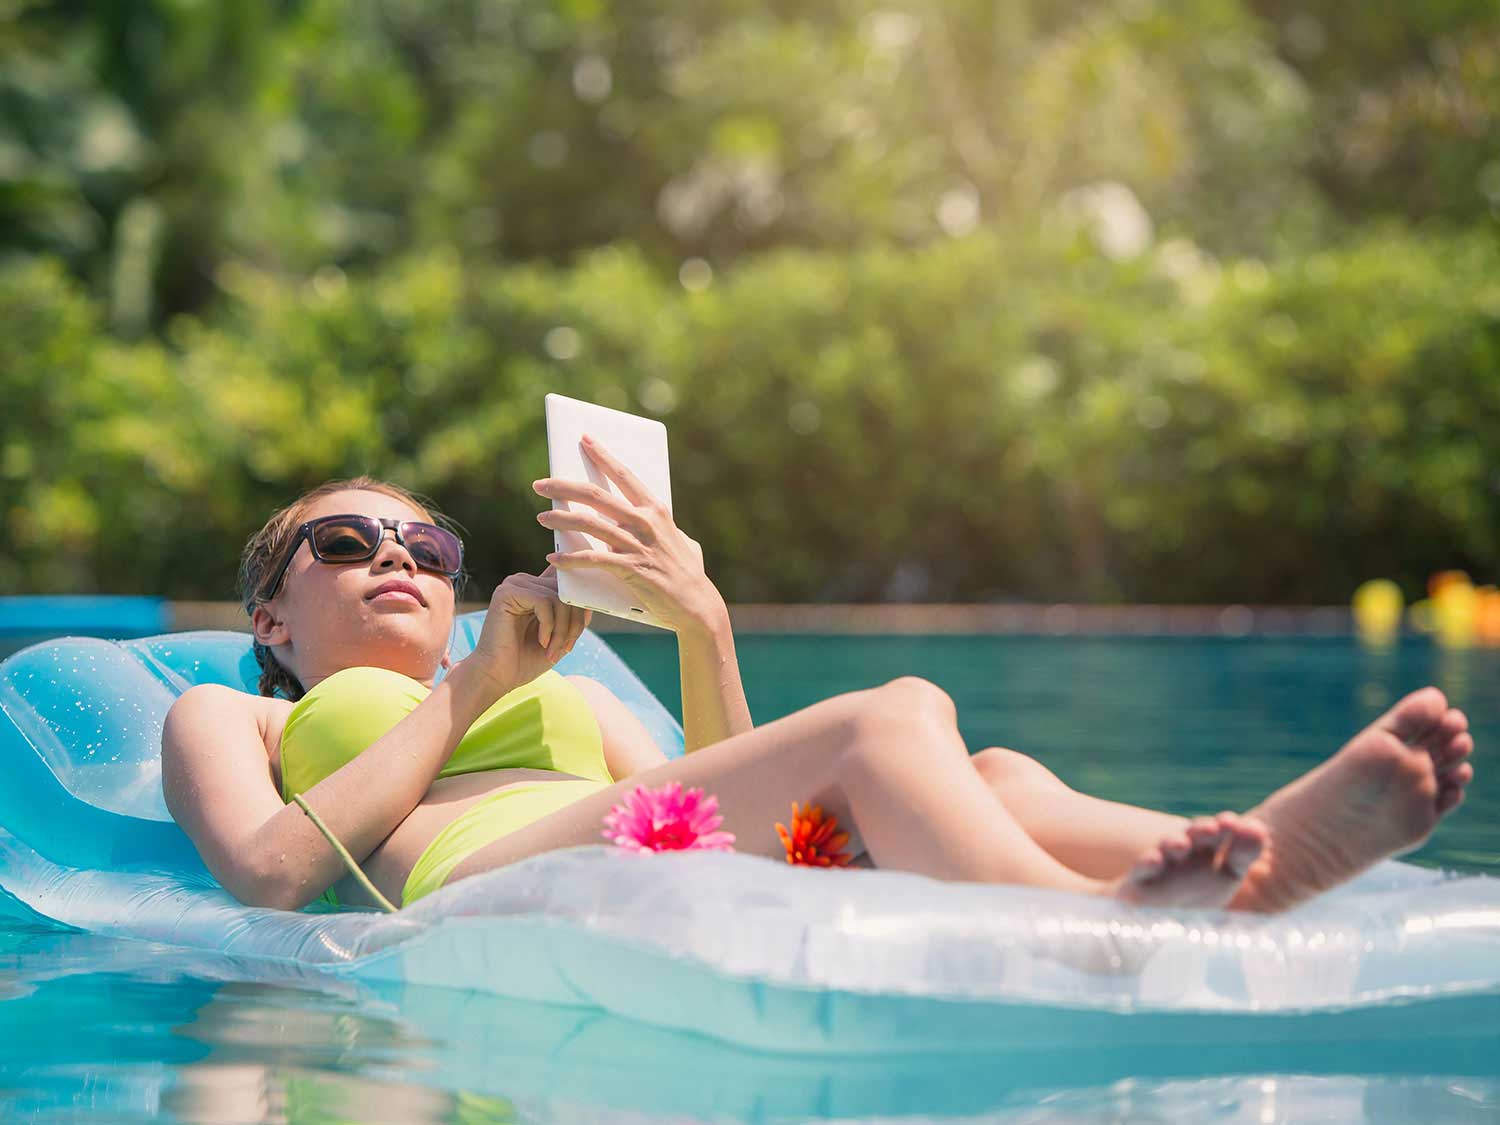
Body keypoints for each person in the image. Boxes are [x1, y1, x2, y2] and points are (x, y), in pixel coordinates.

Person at [162, 443, 1475, 914]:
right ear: (273, 612)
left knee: (995, 769)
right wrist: (473, 685)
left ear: (454, 580)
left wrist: (703, 620)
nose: (395, 553)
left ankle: (1259, 863)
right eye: (346, 540)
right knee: (891, 713)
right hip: (463, 876)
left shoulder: (553, 681)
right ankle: (1111, 922)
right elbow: (273, 872)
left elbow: (724, 804)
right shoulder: (229, 710)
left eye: (426, 542)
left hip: (629, 847)